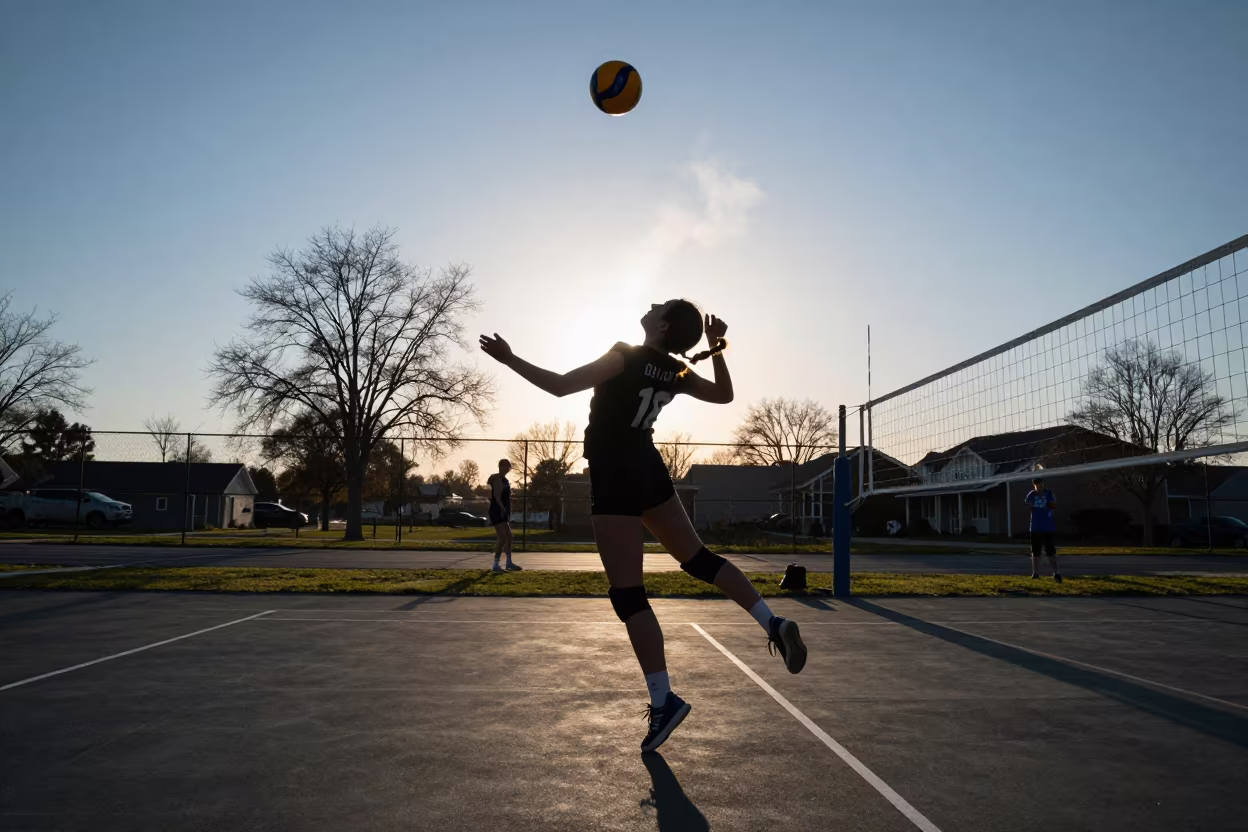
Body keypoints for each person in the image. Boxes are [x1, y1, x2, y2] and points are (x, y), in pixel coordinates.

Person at [480, 299, 807, 753]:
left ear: (663, 323)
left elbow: (558, 387)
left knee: (629, 596)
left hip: (615, 471)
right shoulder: (675, 371)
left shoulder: (626, 353)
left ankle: (663, 702)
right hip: (650, 469)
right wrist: (716, 349)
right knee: (701, 561)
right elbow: (724, 396)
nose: (649, 306)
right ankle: (773, 622)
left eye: (658, 306)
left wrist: (510, 358)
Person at [1024, 476, 1062, 582]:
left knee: (1050, 551)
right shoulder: (1031, 494)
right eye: (1036, 484)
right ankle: (1035, 573)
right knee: (1036, 552)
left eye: (1040, 484)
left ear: (1042, 484)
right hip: (1035, 527)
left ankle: (1056, 572)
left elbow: (1053, 505)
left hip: (1048, 526)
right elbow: (1028, 505)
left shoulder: (1049, 494)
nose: (1038, 486)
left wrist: (1048, 506)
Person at [487, 458, 520, 572]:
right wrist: (502, 509)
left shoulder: (505, 480)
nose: (508, 469)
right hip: (497, 510)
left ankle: (509, 563)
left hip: (503, 511)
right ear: (501, 466)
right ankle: (495, 565)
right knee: (502, 538)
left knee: (509, 537)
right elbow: (496, 495)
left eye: (509, 467)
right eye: (507, 467)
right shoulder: (497, 479)